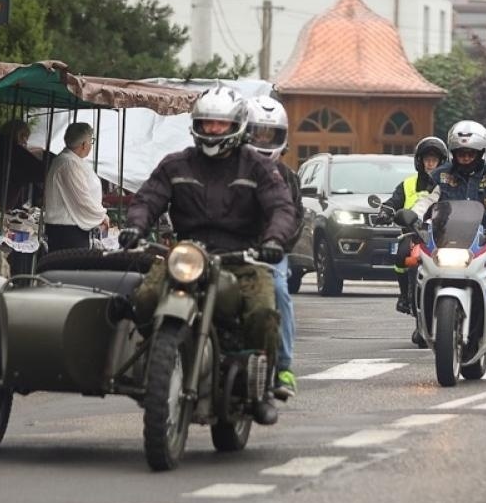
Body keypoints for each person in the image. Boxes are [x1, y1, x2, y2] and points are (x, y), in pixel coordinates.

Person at [118, 85, 296, 422]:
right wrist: (135, 226)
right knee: (144, 297)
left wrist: (273, 240)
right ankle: (156, 360)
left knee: (262, 314)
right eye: (206, 124)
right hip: (187, 256)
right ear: (196, 126)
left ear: (236, 126)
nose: (213, 130)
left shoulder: (258, 167)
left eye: (220, 124)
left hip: (242, 259)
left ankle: (263, 386)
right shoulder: (176, 164)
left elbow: (281, 208)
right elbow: (148, 199)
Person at [400, 119, 486, 346]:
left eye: (470, 153)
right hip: (446, 241)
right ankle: (420, 322)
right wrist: (414, 219)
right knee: (416, 265)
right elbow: (426, 200)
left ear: (482, 153)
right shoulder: (440, 175)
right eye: (460, 153)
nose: (465, 158)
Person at [244, 95, 302, 400]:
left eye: (271, 134)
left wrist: (276, 245)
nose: (264, 140)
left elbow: (293, 218)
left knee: (279, 290)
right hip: (230, 249)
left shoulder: (287, 177)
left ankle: (283, 366)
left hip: (270, 253)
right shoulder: (231, 169)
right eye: (258, 132)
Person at [380, 136, 447, 314]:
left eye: (435, 160)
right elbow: (393, 201)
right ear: (420, 161)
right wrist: (386, 211)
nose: (431, 163)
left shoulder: (449, 184)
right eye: (427, 159)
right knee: (401, 255)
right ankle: (404, 296)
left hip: (444, 235)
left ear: (442, 162)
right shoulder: (408, 184)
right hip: (414, 234)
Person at [43, 122, 110, 253]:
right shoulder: (68, 163)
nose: (91, 145)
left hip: (69, 230)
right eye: (91, 141)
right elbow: (81, 199)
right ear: (84, 144)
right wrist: (101, 215)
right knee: (69, 271)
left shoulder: (70, 161)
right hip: (67, 231)